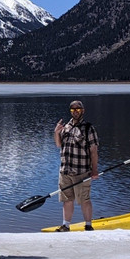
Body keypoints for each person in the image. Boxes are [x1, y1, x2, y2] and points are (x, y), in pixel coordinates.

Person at [53, 99, 99, 231]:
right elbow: (58, 145)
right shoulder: (66, 127)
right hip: (65, 171)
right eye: (73, 109)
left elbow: (94, 151)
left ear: (82, 111)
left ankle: (88, 225)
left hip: (82, 171)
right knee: (67, 199)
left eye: (78, 109)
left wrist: (94, 170)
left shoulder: (88, 128)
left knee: (84, 199)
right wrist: (56, 132)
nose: (75, 112)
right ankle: (66, 225)